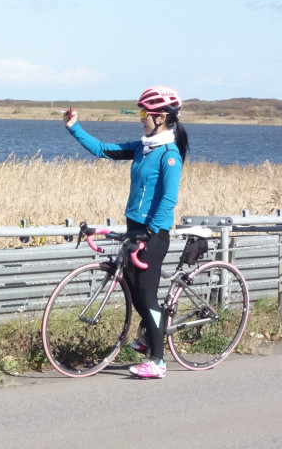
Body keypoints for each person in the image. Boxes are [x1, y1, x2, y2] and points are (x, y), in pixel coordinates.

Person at [62, 86, 189, 379]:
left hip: (154, 234)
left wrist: (149, 233)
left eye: (145, 113)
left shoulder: (169, 155)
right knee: (133, 291)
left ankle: (157, 361)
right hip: (135, 228)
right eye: (141, 112)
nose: (141, 118)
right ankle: (149, 331)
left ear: (161, 118)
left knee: (147, 296)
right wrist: (74, 128)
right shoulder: (144, 147)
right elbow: (103, 149)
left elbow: (168, 200)